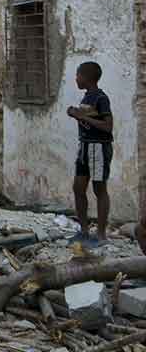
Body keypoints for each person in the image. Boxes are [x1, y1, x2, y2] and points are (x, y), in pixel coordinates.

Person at [67, 61, 113, 246]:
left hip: (99, 147)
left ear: (87, 77)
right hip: (85, 147)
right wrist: (75, 113)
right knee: (78, 188)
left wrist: (81, 116)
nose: (76, 78)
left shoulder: (101, 98)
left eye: (78, 75)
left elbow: (108, 127)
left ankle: (101, 235)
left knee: (99, 189)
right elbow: (88, 119)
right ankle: (84, 231)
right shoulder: (87, 97)